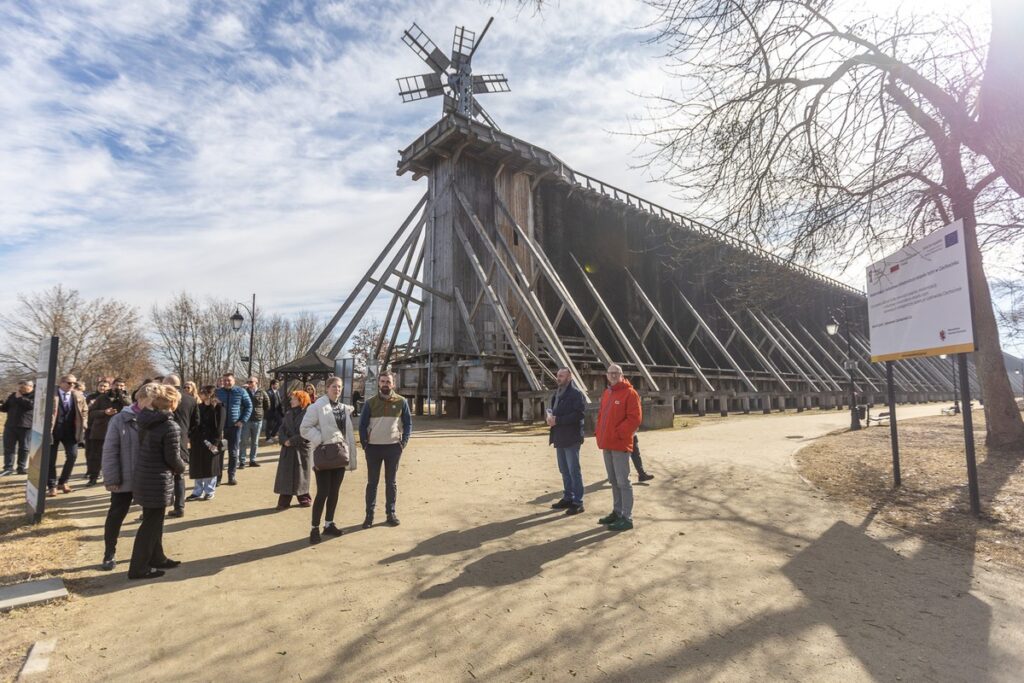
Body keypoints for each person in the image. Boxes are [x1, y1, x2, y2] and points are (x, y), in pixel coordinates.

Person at [100, 382, 159, 571]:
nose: (154, 406)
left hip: (149, 477)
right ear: (140, 399)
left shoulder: (157, 418)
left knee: (152, 518)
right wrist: (111, 478)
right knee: (117, 514)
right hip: (125, 477)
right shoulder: (119, 420)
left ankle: (154, 553)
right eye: (152, 402)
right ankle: (109, 552)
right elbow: (110, 451)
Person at [128, 385, 185, 580]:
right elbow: (172, 457)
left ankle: (157, 557)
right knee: (150, 525)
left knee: (155, 521)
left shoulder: (145, 420)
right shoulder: (169, 426)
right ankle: (138, 567)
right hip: (157, 478)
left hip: (145, 476)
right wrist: (183, 467)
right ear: (172, 404)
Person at [300, 376, 357, 544]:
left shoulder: (343, 409)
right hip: (324, 454)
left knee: (334, 492)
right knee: (323, 492)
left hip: (339, 454)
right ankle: (314, 528)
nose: (337, 389)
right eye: (334, 387)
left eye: (339, 387)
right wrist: (321, 439)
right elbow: (304, 428)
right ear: (327, 388)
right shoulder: (316, 407)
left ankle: (329, 523)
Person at [358, 371, 411, 528]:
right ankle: (369, 515)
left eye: (388, 381)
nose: (385, 384)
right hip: (373, 448)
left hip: (393, 447)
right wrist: (365, 443)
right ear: (379, 384)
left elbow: (408, 423)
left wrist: (404, 442)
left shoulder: (402, 402)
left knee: (391, 482)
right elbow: (362, 424)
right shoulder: (370, 402)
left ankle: (391, 513)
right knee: (372, 483)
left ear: (393, 384)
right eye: (383, 381)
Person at [594, 364, 642, 531]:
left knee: (623, 481)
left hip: (620, 444)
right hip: (607, 443)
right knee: (613, 480)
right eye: (610, 373)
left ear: (622, 375)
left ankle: (627, 518)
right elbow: (601, 416)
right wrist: (599, 433)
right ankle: (617, 511)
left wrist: (618, 433)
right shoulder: (607, 393)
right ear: (607, 375)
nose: (613, 375)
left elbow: (634, 419)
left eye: (616, 373)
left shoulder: (630, 393)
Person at [545, 368, 587, 515]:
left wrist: (559, 420)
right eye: (558, 376)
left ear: (570, 377)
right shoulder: (557, 393)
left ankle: (578, 502)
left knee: (573, 470)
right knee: (564, 470)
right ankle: (568, 497)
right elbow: (554, 411)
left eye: (561, 376)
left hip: (571, 437)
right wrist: (550, 418)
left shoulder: (576, 394)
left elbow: (579, 414)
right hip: (559, 436)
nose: (558, 378)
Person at [47, 374, 88, 495]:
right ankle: (51, 485)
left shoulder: (78, 395)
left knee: (72, 455)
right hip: (53, 431)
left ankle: (63, 482)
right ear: (61, 383)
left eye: (74, 383)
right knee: (50, 459)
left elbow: (85, 410)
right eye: (69, 383)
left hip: (71, 431)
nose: (72, 385)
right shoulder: (51, 394)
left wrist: (84, 422)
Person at [164, 374, 198, 517]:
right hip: (182, 440)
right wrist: (186, 434)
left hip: (164, 439)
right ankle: (179, 506)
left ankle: (166, 503)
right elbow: (196, 422)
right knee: (179, 475)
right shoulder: (191, 400)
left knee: (164, 474)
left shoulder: (161, 398)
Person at [85, 378, 129, 486]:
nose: (119, 388)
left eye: (121, 386)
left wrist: (122, 397)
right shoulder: (101, 398)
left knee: (118, 456)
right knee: (96, 456)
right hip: (100, 431)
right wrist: (104, 412)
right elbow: (91, 413)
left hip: (119, 432)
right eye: (117, 385)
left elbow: (129, 408)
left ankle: (114, 478)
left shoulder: (126, 398)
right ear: (112, 386)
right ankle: (93, 477)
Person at [274, 390, 313, 509]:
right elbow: (282, 428)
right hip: (288, 449)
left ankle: (304, 497)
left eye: (294, 399)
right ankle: (284, 500)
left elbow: (307, 431)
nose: (291, 401)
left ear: (301, 400)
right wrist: (284, 440)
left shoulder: (309, 413)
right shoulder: (288, 413)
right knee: (286, 474)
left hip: (301, 448)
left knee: (301, 474)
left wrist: (292, 441)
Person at [187, 385, 225, 502]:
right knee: (197, 466)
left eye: (203, 392)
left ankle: (209, 491)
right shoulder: (198, 406)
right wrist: (190, 437)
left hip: (211, 441)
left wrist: (215, 442)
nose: (200, 394)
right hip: (198, 441)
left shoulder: (219, 407)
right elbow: (193, 423)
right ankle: (197, 491)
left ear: (209, 394)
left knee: (210, 466)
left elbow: (220, 426)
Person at [215, 373, 252, 485]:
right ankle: (218, 478)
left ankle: (231, 476)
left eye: (229, 380)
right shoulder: (217, 392)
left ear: (234, 381)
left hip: (234, 428)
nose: (227, 382)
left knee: (233, 453)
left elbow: (249, 406)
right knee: (219, 453)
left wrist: (242, 420)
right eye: (225, 380)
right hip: (220, 428)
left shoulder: (241, 391)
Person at [1, 380, 34, 476]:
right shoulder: (13, 395)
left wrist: (20, 398)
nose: (20, 389)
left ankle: (21, 468)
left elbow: (31, 405)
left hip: (25, 426)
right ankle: (8, 468)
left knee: (24, 448)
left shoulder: (34, 395)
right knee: (8, 448)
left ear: (30, 387)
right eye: (19, 387)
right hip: (10, 425)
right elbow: (5, 408)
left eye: (23, 387)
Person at [240, 376, 270, 468]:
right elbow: (240, 404)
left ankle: (252, 460)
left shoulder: (262, 392)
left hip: (257, 420)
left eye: (251, 382)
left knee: (255, 442)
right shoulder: (244, 392)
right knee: (244, 441)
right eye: (248, 382)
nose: (249, 383)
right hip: (246, 420)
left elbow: (267, 405)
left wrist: (260, 413)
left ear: (256, 382)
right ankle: (242, 461)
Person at [265, 379, 283, 443]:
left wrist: (281, 412)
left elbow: (279, 402)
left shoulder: (277, 392)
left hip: (277, 411)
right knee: (269, 425)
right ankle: (268, 438)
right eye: (276, 384)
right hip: (270, 412)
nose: (277, 386)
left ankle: (272, 434)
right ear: (272, 385)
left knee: (280, 422)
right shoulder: (268, 392)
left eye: (278, 384)